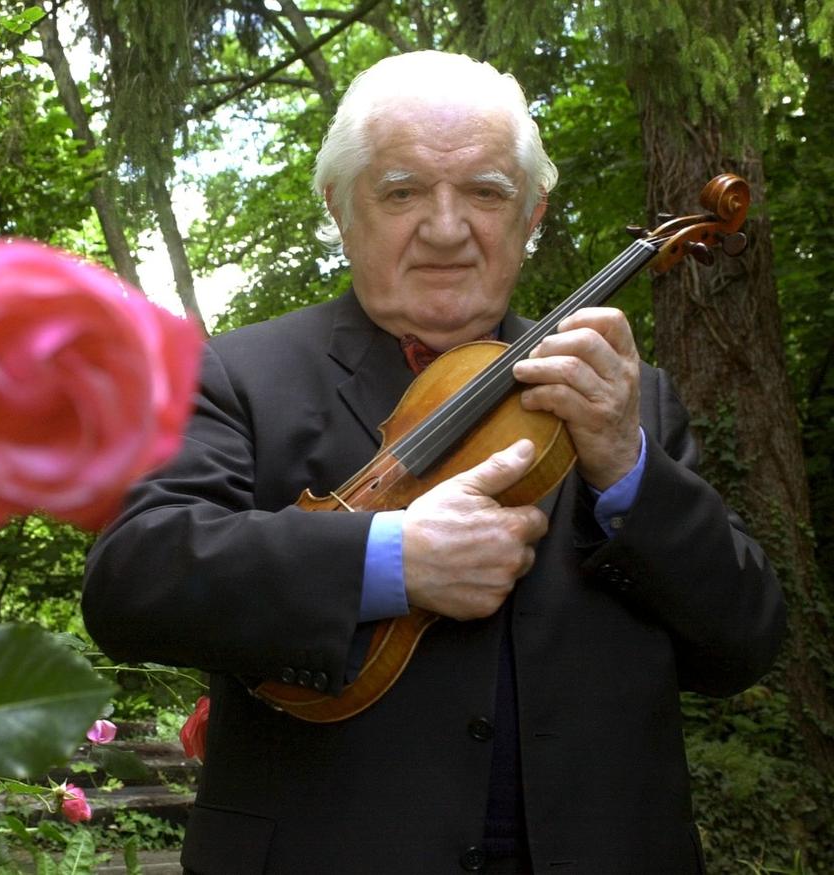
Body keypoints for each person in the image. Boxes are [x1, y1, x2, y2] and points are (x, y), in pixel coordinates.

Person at [81, 50, 785, 874]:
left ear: (531, 215)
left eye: (486, 192)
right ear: (342, 210)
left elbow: (744, 644)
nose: (447, 228)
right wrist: (389, 558)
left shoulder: (630, 397)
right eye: (403, 190)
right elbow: (131, 582)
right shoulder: (234, 373)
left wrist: (627, 463)